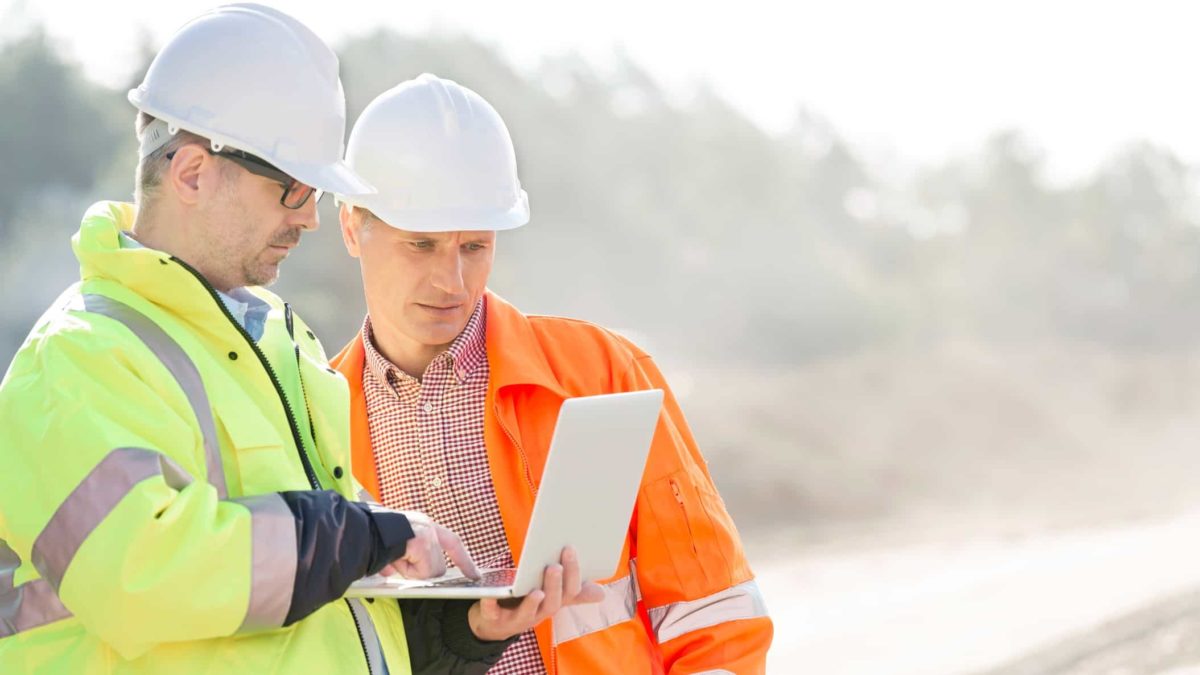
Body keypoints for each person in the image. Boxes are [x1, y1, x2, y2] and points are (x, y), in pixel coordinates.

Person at [0, 6, 591, 673]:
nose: (311, 218)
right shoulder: (78, 358)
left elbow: (319, 611)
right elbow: (140, 574)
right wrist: (356, 534)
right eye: (294, 190)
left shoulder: (284, 347)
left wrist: (457, 634)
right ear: (193, 172)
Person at [331, 73, 774, 674]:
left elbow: (712, 610)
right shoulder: (315, 413)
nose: (452, 282)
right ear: (353, 227)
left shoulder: (601, 372)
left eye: (474, 248)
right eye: (422, 245)